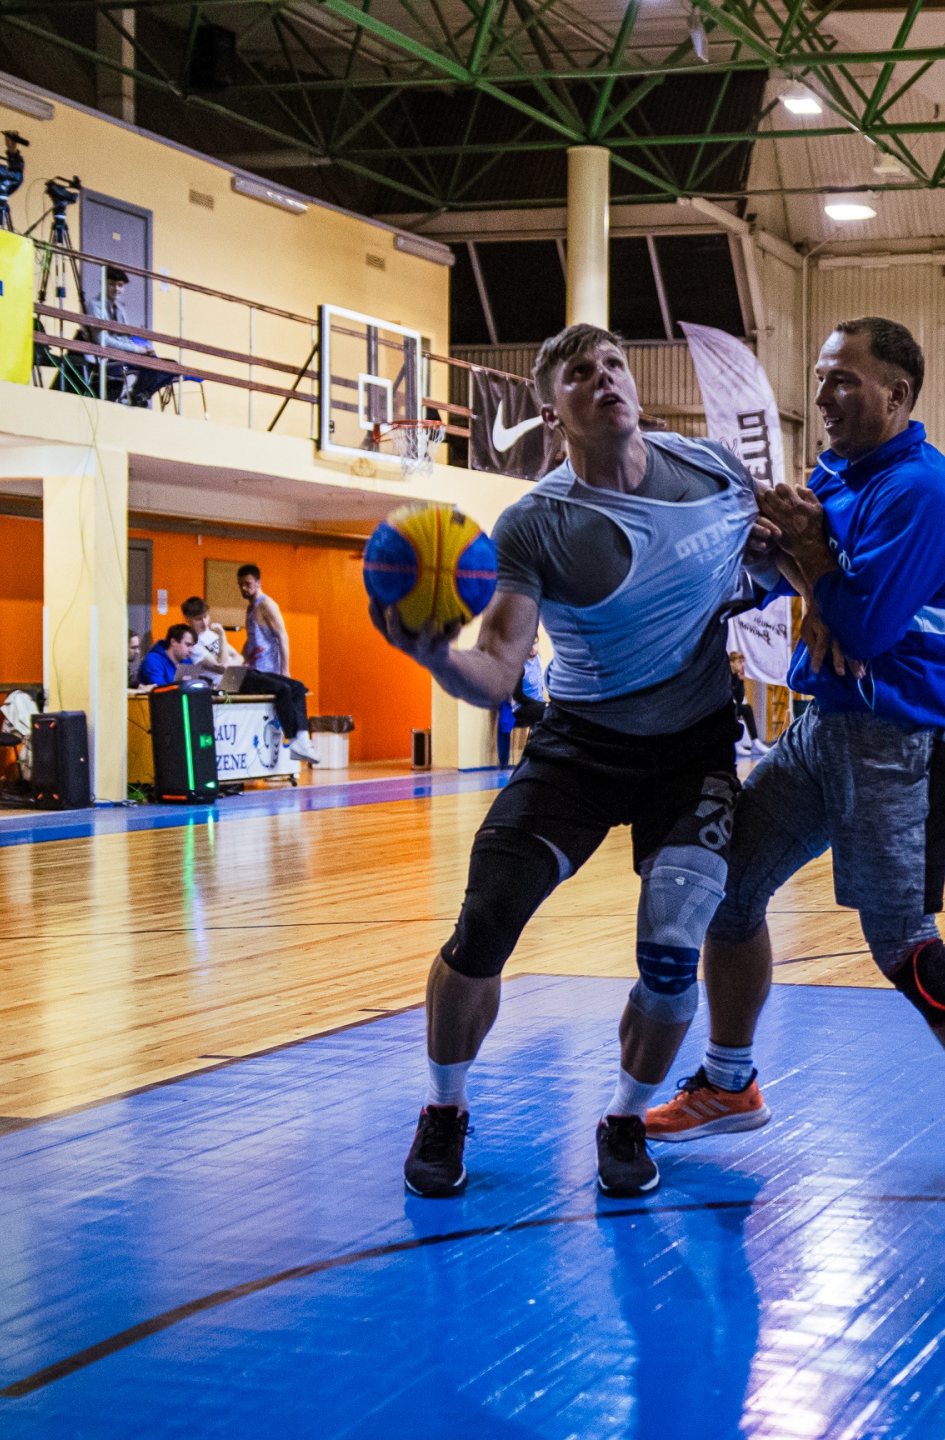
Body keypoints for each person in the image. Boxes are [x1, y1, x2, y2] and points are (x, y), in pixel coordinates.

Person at [646, 315, 945, 1191]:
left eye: (844, 380)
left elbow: (862, 626)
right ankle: (729, 1082)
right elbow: (808, 590)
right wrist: (795, 562)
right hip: (823, 724)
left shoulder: (921, 492)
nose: (824, 395)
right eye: (822, 376)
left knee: (903, 944)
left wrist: (814, 559)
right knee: (728, 893)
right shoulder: (835, 475)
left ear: (897, 395)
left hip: (901, 742)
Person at [370, 322, 765, 1200]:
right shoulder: (535, 524)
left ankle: (624, 1117)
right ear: (553, 413)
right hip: (580, 748)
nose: (605, 379)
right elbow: (498, 666)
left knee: (673, 953)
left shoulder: (714, 471)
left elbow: (784, 550)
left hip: (693, 750)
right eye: (581, 373)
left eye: (614, 364)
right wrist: (434, 656)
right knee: (485, 921)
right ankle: (444, 1108)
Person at [234, 565, 319, 763]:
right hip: (255, 671)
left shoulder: (267, 605)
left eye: (247, 584)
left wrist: (285, 669)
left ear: (258, 583)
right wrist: (240, 660)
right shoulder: (250, 609)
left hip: (268, 669)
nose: (243, 589)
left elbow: (282, 635)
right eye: (240, 585)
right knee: (289, 689)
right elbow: (250, 639)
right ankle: (299, 742)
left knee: (296, 687)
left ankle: (301, 742)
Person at [82, 266, 166, 407]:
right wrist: (137, 350)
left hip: (123, 355)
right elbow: (103, 340)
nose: (116, 289)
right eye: (112, 284)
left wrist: (142, 347)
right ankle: (137, 396)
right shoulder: (95, 305)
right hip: (108, 357)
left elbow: (125, 338)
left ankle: (138, 395)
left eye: (120, 285)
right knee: (152, 364)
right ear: (103, 284)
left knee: (167, 365)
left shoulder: (120, 309)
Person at [179, 596, 243, 679]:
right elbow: (221, 668)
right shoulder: (193, 644)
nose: (204, 622)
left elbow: (239, 657)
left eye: (205, 617)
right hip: (222, 683)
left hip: (236, 676)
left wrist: (228, 665)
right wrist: (222, 635)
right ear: (188, 618)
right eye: (198, 619)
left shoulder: (210, 633)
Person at [727, 650, 765, 758]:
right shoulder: (725, 676)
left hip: (731, 706)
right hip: (721, 708)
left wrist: (740, 681)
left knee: (746, 708)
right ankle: (735, 744)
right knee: (732, 708)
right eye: (740, 662)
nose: (742, 665)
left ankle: (755, 742)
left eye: (743, 662)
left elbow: (739, 699)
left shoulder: (736, 677)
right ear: (731, 663)